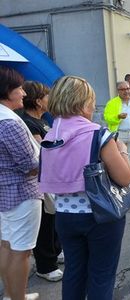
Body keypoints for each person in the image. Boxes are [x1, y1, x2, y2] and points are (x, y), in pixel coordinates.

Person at [39, 76, 130, 299]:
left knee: (74, 273)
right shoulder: (98, 135)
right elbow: (125, 178)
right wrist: (122, 150)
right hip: (100, 215)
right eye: (91, 102)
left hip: (65, 216)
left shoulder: (50, 136)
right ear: (82, 104)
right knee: (101, 275)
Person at [0, 66, 41, 300]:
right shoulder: (10, 123)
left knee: (6, 244)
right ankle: (18, 297)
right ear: (7, 91)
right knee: (21, 251)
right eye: (19, 88)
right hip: (21, 193)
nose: (24, 93)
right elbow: (31, 165)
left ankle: (10, 294)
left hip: (6, 192)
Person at [20, 81, 63, 282]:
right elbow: (42, 153)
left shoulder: (44, 119)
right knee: (44, 224)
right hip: (39, 182)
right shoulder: (29, 123)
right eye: (46, 96)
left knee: (54, 217)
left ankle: (55, 250)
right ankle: (45, 265)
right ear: (38, 101)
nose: (49, 100)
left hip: (51, 179)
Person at [104, 81, 130, 165]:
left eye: (128, 89)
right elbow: (107, 118)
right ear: (118, 91)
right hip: (119, 134)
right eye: (123, 89)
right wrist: (118, 117)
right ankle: (121, 177)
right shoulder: (112, 103)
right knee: (120, 159)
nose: (126, 91)